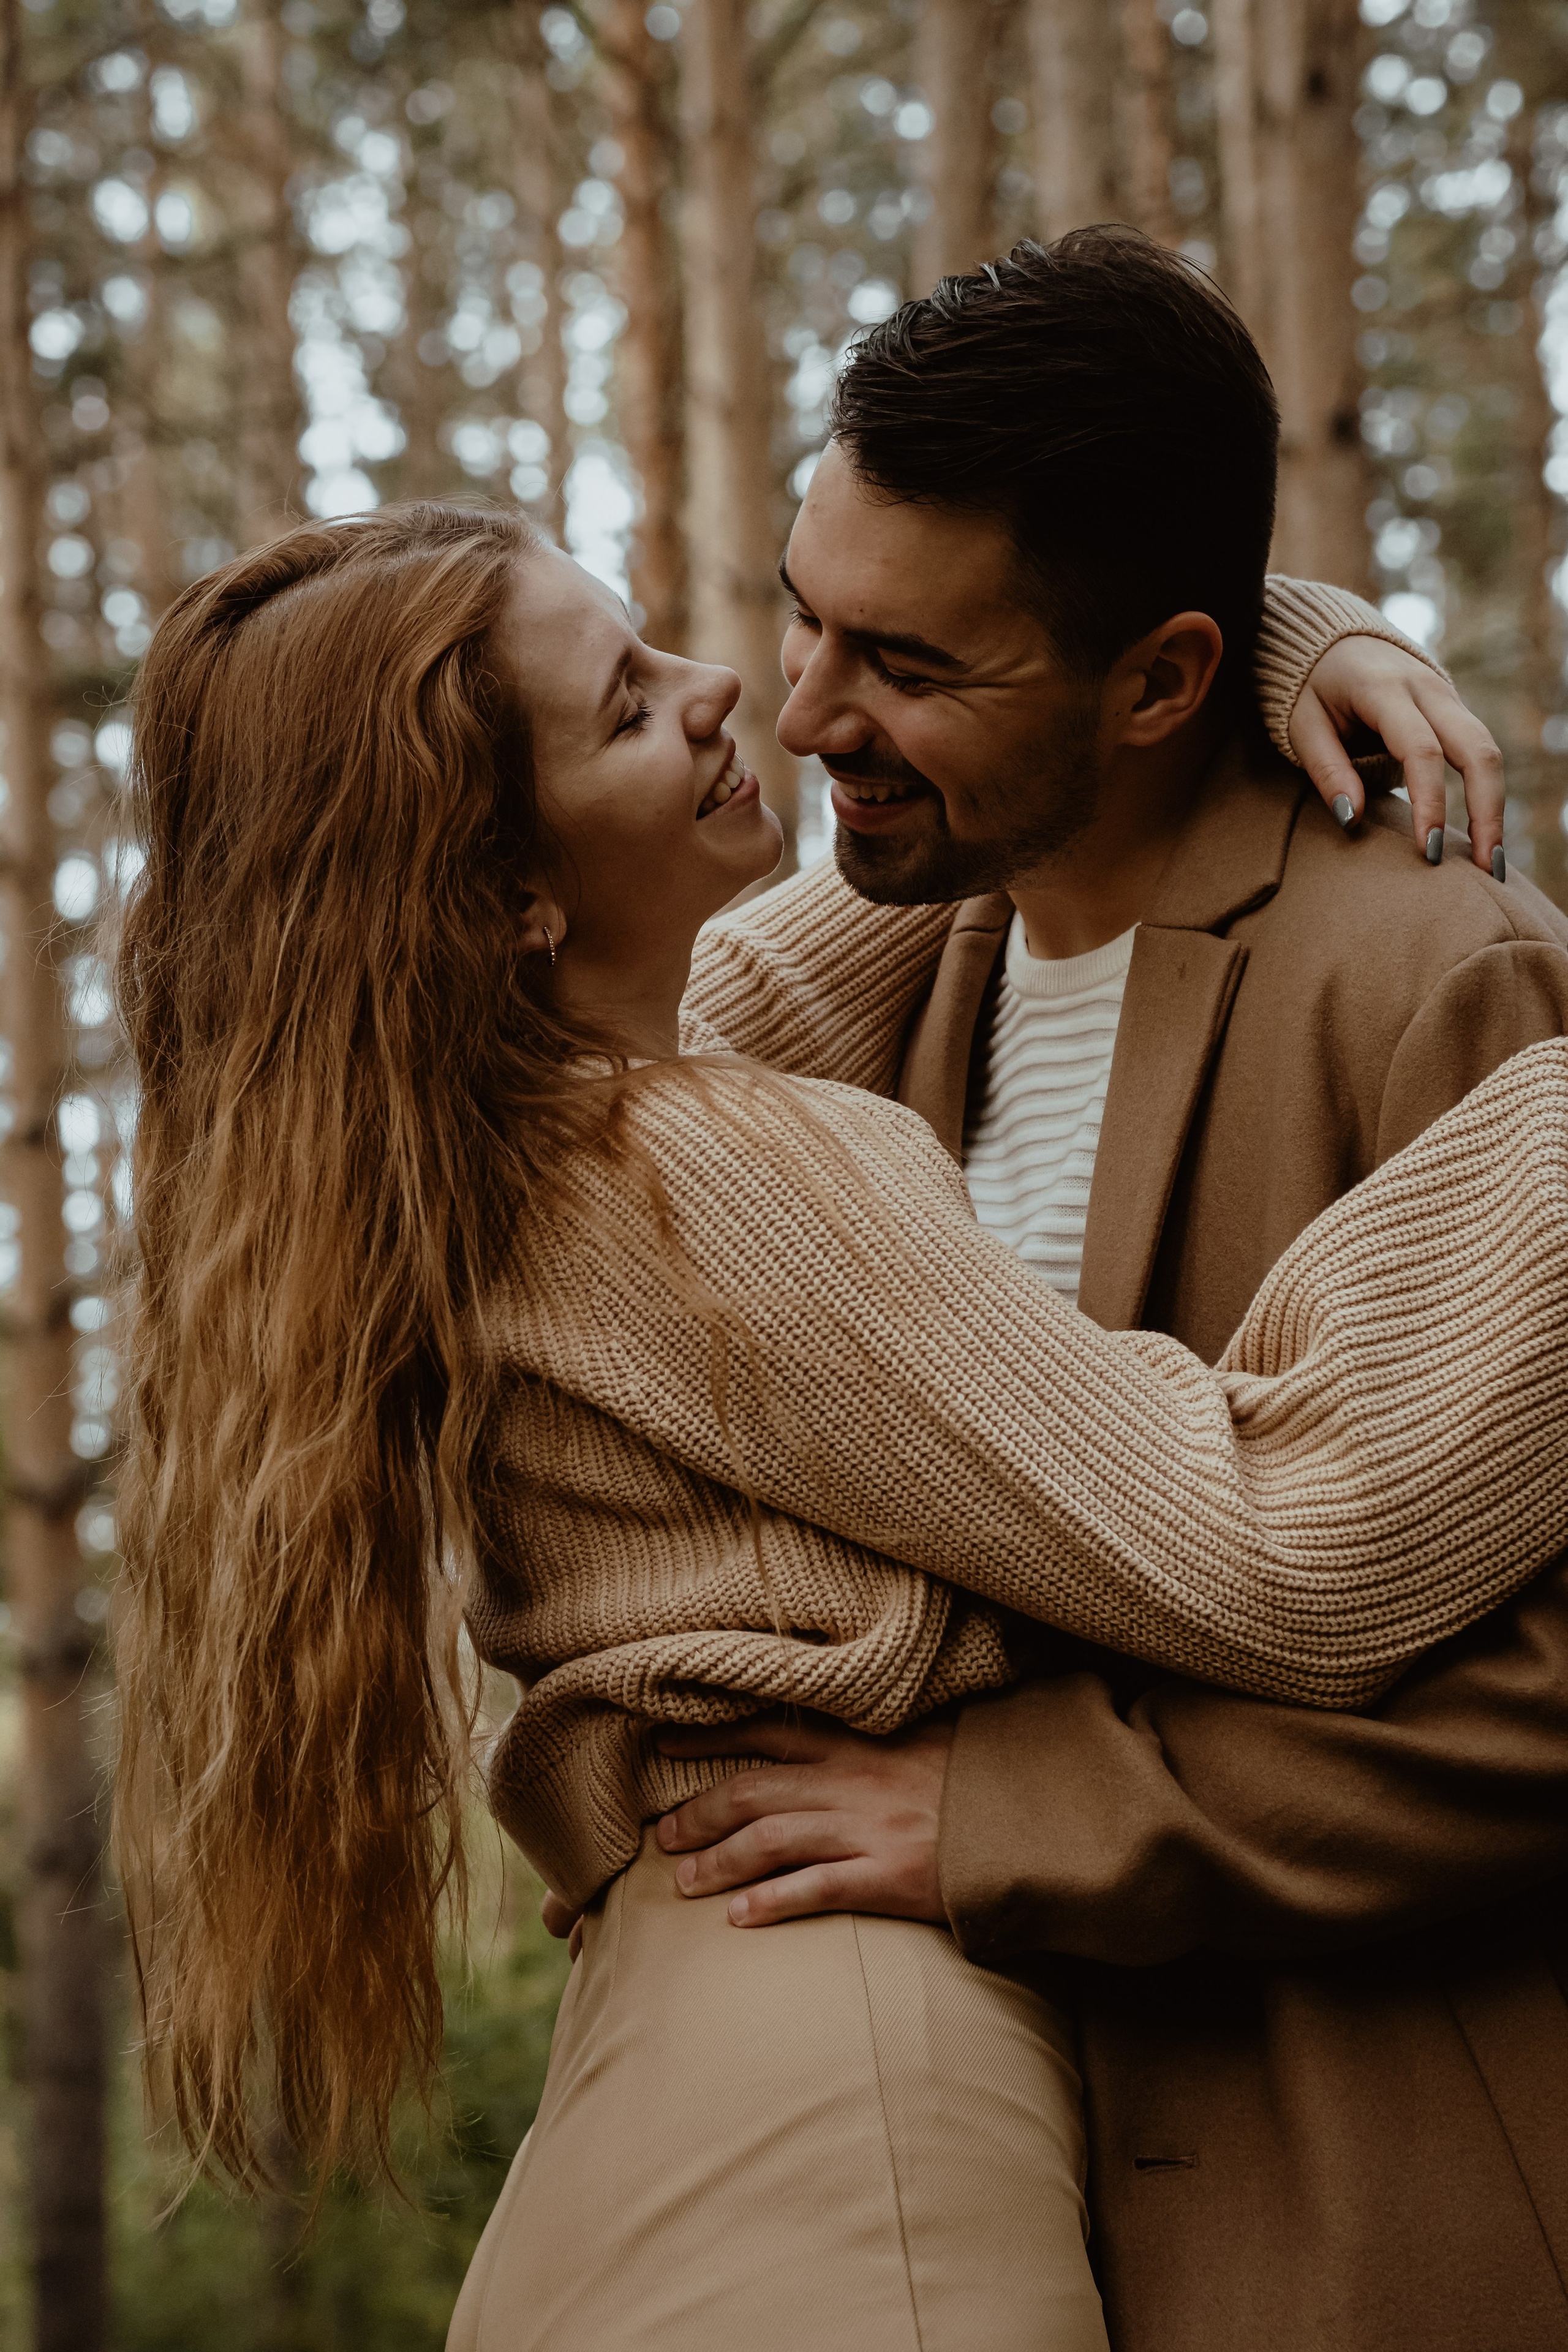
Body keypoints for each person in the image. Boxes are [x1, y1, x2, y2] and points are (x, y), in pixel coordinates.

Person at [110, 501, 1565, 2352]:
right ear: (504, 902)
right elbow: (1283, 1541)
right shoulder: (700, 1178)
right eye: (631, 706)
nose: (738, 693)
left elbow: (977, 808)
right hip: (843, 2085)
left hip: (693, 2038)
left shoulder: (516, 1109)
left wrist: (1274, 635)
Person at [618, 235, 1568, 2352]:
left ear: (1156, 683)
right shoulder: (895, 967)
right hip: (979, 2199)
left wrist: (1020, 1818)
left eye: (905, 665)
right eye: (801, 610)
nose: (801, 712)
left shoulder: (1443, 980)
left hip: (1380, 2212)